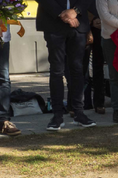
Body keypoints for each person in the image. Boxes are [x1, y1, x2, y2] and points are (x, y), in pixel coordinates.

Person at [36, 0, 96, 131]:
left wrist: (75, 11)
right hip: (53, 23)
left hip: (78, 24)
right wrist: (62, 14)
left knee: (77, 70)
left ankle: (79, 113)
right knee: (57, 71)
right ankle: (57, 116)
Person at [85, 6, 107, 114]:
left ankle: (99, 103)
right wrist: (92, 20)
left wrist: (100, 19)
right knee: (81, 67)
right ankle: (82, 102)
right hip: (83, 25)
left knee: (98, 66)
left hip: (100, 26)